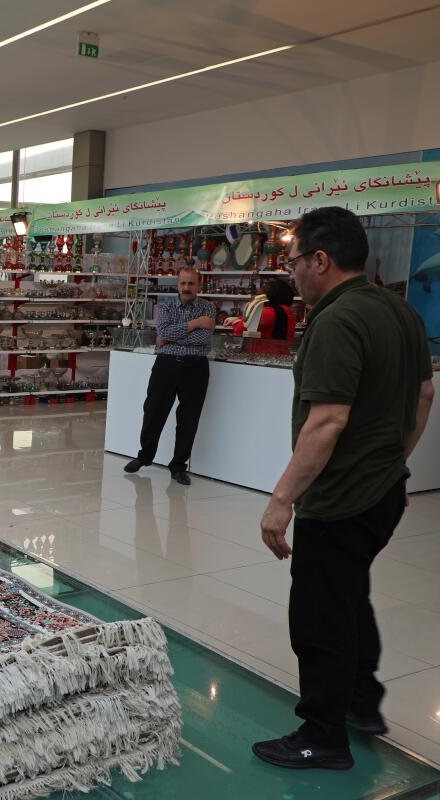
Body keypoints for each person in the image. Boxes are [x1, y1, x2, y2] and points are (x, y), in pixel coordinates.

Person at [252, 207, 433, 771]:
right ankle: (361, 703)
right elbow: (425, 396)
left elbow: (327, 421)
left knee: (320, 613)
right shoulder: (399, 311)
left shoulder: (336, 321)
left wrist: (281, 501)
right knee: (349, 594)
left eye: (295, 259)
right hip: (382, 491)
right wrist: (393, 465)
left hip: (338, 499)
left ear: (321, 260)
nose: (292, 270)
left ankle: (322, 735)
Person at [124, 266, 216, 485]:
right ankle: (144, 456)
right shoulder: (165, 307)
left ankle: (178, 466)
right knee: (153, 411)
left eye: (191, 283)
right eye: (183, 283)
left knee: (189, 418)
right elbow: (163, 333)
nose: (186, 288)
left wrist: (173, 336)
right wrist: (195, 324)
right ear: (178, 284)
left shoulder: (209, 307)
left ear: (198, 285)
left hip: (196, 368)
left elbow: (203, 339)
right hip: (166, 366)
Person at [228, 278, 296, 339]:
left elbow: (243, 328)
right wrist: (239, 319)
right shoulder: (288, 311)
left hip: (265, 351)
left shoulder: (269, 312)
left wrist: (235, 322)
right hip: (280, 351)